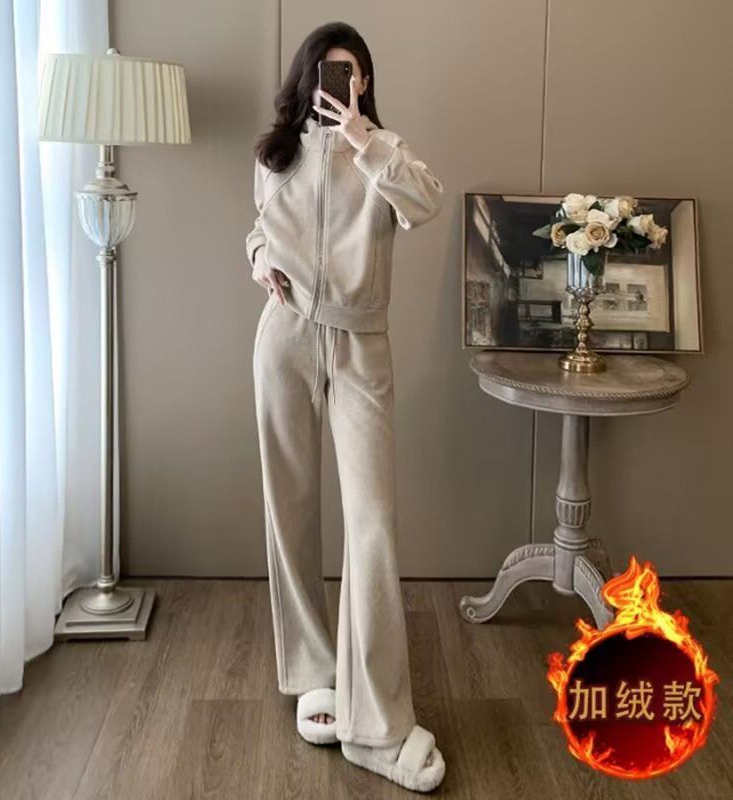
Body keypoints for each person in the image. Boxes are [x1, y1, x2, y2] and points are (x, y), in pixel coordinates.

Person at [245, 21, 445, 793]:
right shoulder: (276, 155)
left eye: (353, 73)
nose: (341, 84)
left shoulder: (385, 152)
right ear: (307, 77)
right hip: (285, 336)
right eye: (330, 72)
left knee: (372, 525)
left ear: (364, 83)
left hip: (361, 344)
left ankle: (378, 724)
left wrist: (365, 138)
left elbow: (424, 203)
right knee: (289, 509)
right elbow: (259, 230)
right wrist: (260, 260)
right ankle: (312, 674)